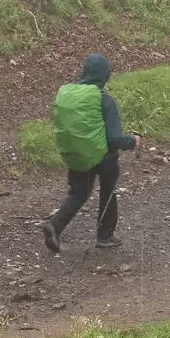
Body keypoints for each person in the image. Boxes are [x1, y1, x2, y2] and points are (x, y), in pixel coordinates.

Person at [42, 53, 140, 255]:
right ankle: (105, 236)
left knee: (78, 193)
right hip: (104, 157)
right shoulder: (105, 100)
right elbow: (114, 138)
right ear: (105, 75)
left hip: (78, 153)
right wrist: (133, 141)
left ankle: (55, 226)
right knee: (108, 190)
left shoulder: (71, 97)